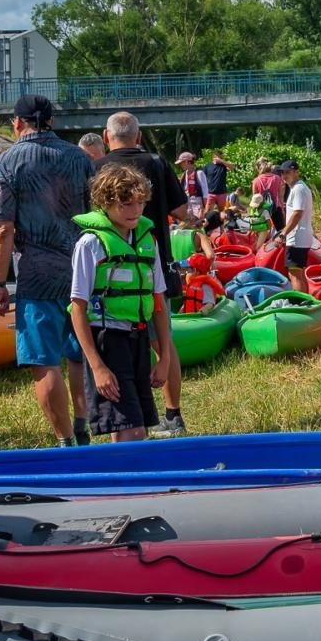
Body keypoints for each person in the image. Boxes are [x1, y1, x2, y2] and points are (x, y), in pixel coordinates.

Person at [0, 94, 94, 447]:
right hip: (81, 271)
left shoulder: (5, 164)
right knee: (80, 354)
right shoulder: (80, 158)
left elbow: (2, 228)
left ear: (17, 124)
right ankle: (82, 424)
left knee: (44, 362)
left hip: (36, 274)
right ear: (52, 121)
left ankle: (64, 440)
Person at [97, 112, 190, 435]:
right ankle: (173, 415)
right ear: (138, 137)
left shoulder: (97, 168)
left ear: (106, 137)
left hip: (110, 274)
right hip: (155, 265)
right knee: (163, 342)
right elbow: (181, 212)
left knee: (117, 344)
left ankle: (125, 418)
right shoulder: (157, 162)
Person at [68, 163, 171, 444]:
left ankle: (125, 478)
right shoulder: (90, 244)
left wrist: (165, 358)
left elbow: (157, 300)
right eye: (126, 204)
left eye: (139, 203)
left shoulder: (146, 240)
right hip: (108, 340)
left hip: (138, 338)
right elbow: (77, 308)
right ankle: (134, 484)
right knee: (132, 429)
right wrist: (97, 366)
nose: (135, 211)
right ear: (106, 202)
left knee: (136, 423)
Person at [272, 159, 315, 293]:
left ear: (296, 172)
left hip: (297, 237)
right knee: (298, 273)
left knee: (294, 274)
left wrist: (283, 234)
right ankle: (307, 302)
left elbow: (297, 213)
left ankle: (300, 304)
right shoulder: (298, 188)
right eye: (283, 173)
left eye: (288, 172)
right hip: (301, 236)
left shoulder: (298, 189)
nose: (284, 176)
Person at [252, 157, 285, 231]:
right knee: (281, 230)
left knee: (261, 231)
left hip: (261, 208)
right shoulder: (277, 178)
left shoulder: (256, 180)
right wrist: (282, 209)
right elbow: (280, 196)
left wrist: (254, 212)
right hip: (276, 208)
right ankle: (281, 242)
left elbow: (255, 198)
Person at [177, 151, 204, 217]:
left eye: (181, 163)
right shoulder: (184, 174)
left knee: (197, 223)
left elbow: (205, 192)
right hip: (187, 203)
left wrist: (203, 208)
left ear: (187, 162)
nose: (180, 165)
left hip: (197, 202)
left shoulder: (199, 173)